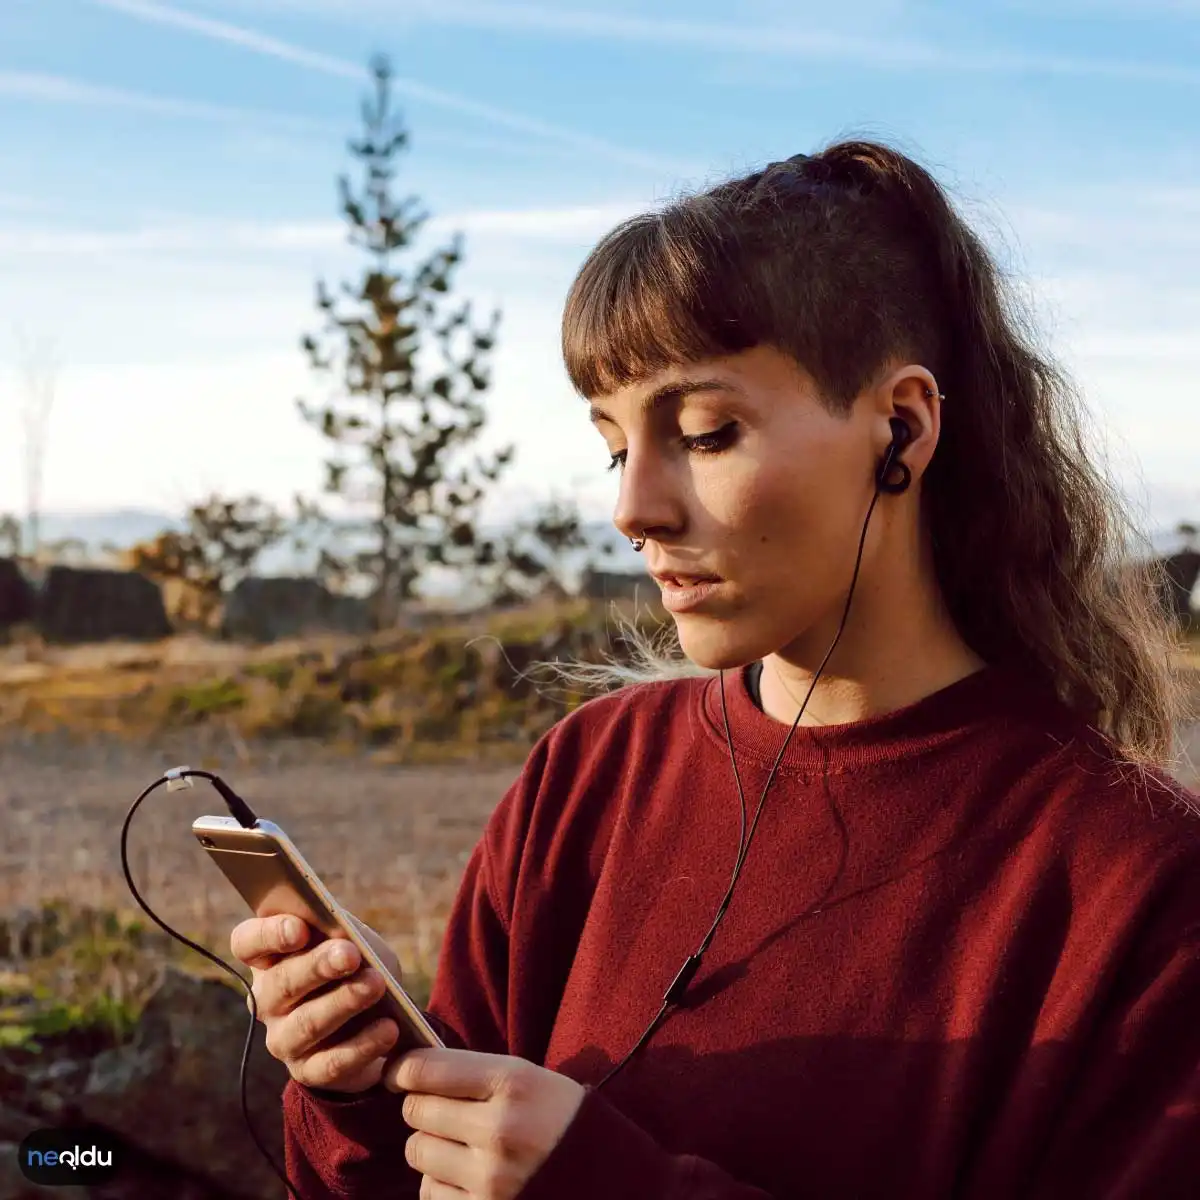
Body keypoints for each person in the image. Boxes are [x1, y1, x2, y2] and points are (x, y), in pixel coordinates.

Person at [230, 140, 1200, 1199]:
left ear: (902, 427)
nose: (632, 508)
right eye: (613, 445)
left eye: (704, 431)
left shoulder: (1137, 887)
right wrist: (365, 1090)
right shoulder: (588, 777)